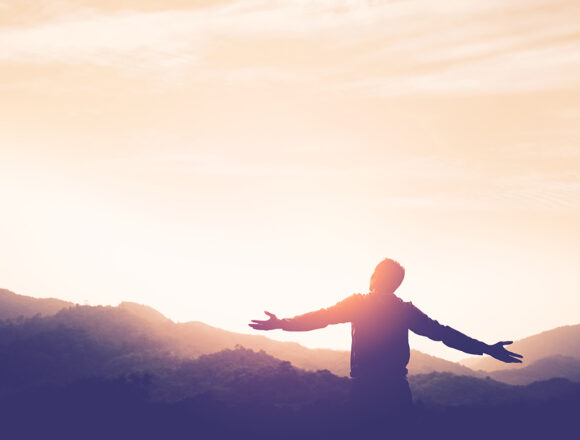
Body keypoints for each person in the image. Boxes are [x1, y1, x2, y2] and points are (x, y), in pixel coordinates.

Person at [249, 258, 522, 418]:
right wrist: (485, 348)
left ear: (374, 277)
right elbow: (443, 334)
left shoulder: (357, 303)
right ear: (396, 284)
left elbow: (320, 318)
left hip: (364, 390)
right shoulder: (404, 311)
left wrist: (281, 324)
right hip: (395, 391)